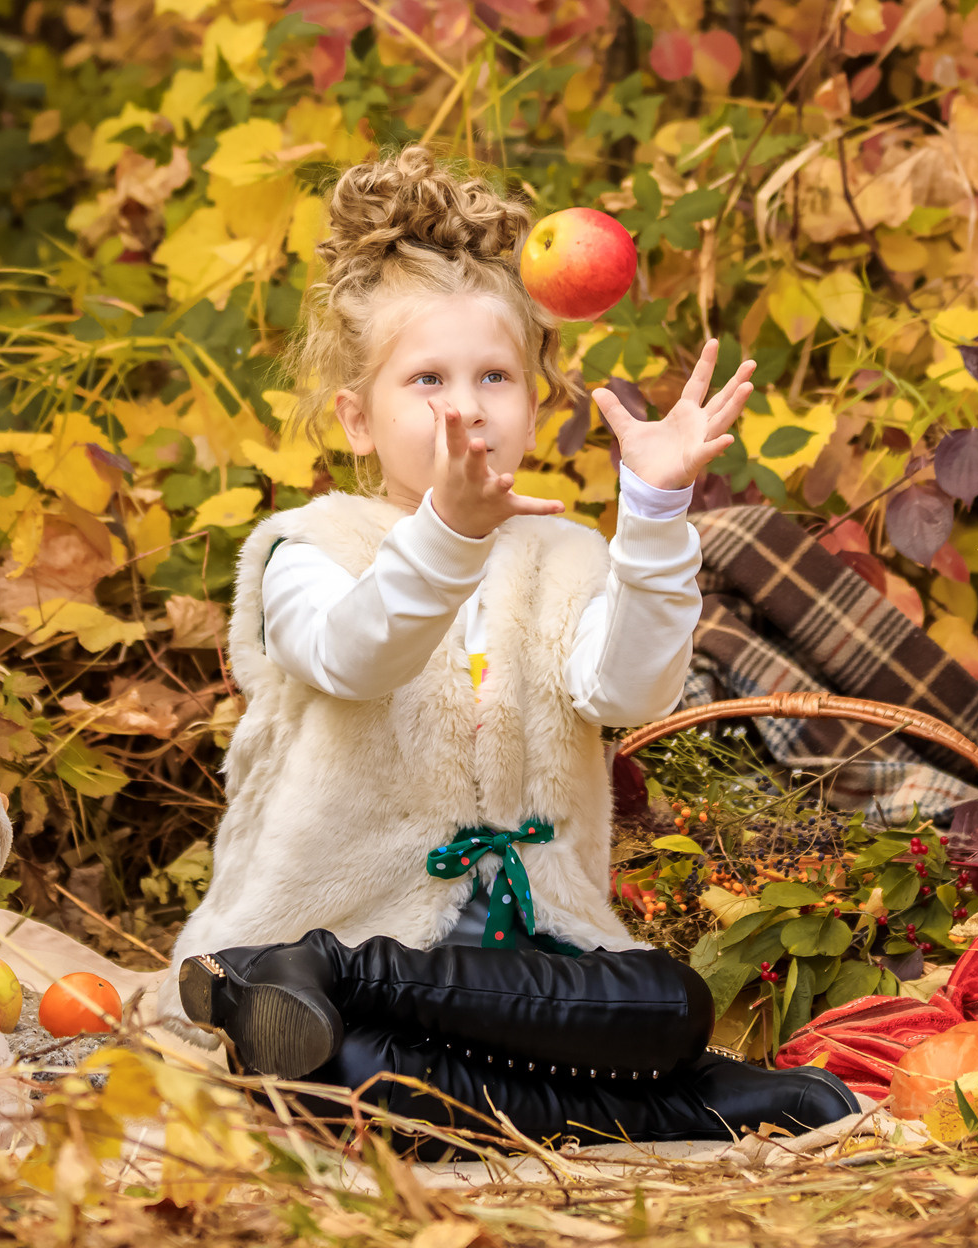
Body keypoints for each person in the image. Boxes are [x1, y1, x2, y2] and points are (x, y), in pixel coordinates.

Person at [160, 146, 858, 1152]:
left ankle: (669, 1087)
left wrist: (655, 511)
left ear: (535, 396)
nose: (467, 404)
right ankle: (312, 976)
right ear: (357, 416)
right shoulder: (306, 549)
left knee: (665, 1002)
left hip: (527, 966)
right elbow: (355, 654)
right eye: (428, 379)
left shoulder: (561, 552)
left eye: (495, 374)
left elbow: (629, 684)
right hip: (350, 932)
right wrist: (445, 530)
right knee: (347, 1069)